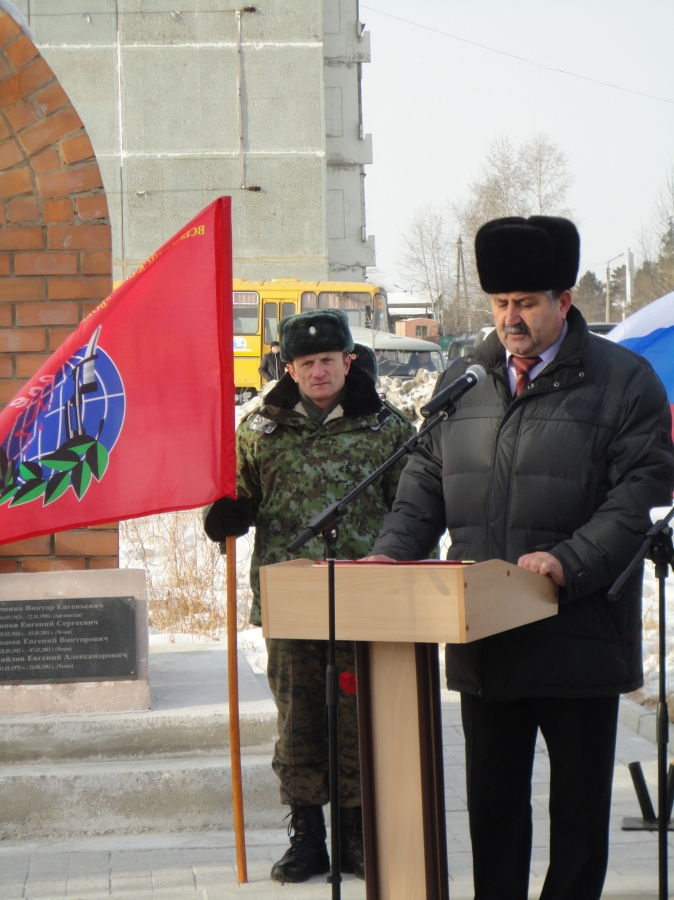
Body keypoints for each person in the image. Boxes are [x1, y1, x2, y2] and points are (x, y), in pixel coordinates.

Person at [369, 215, 674, 900]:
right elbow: (424, 480)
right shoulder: (465, 379)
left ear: (563, 301)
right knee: (495, 812)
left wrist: (569, 562)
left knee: (576, 814)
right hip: (488, 635)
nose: (511, 318)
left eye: (527, 303)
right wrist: (392, 555)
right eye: (501, 304)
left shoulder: (623, 381)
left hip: (579, 633)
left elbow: (640, 496)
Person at [204, 309, 413, 884]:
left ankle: (355, 835)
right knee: (298, 719)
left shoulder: (388, 430)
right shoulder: (259, 430)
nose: (319, 372)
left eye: (329, 360)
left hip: (364, 600)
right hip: (289, 601)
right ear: (289, 369)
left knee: (356, 717)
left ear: (349, 362)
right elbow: (237, 495)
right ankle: (308, 837)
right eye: (306, 363)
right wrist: (225, 515)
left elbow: (415, 508)